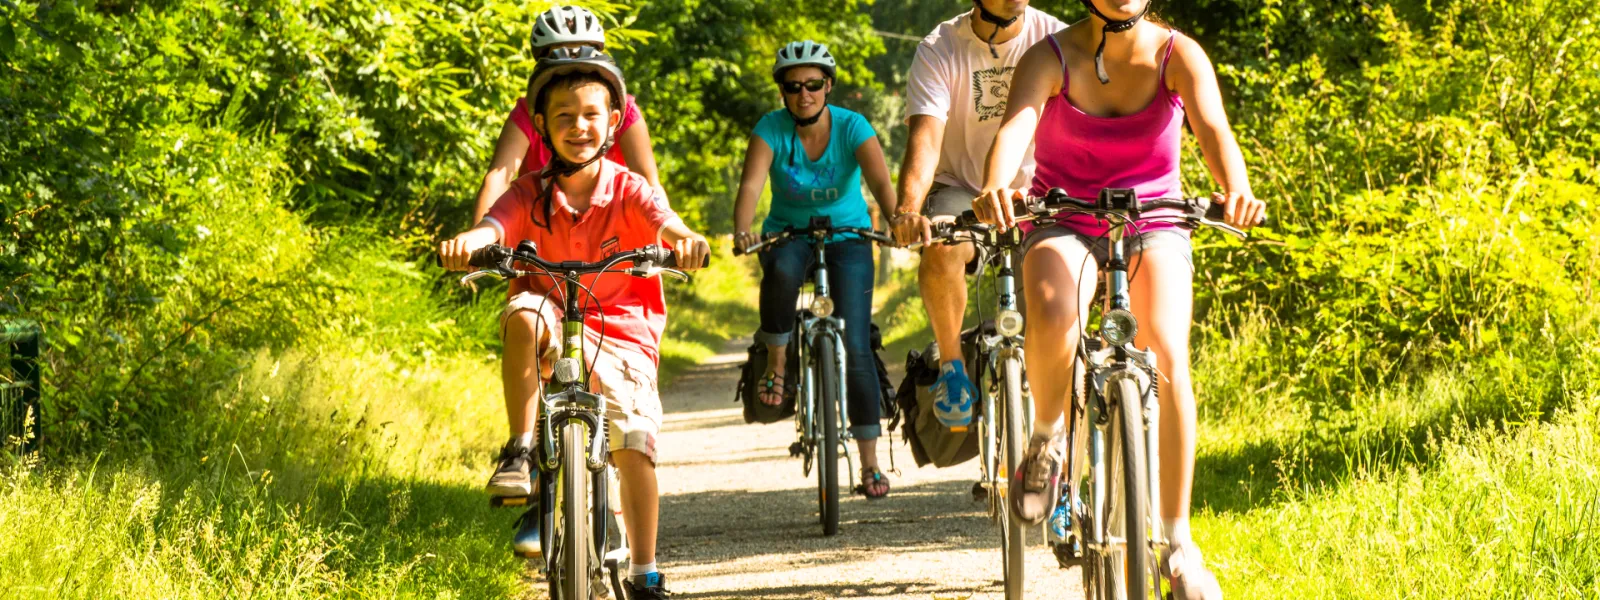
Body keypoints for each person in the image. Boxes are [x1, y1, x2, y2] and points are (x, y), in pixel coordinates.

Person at [971, 1, 1266, 598]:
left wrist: (1237, 191)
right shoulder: (1050, 56)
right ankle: (1049, 438)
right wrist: (997, 186)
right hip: (1064, 216)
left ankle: (1178, 542)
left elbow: (1214, 131)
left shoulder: (1178, 54)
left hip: (1155, 220)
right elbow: (1015, 129)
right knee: (1054, 310)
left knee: (1167, 346)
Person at [439, 47, 709, 600]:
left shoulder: (629, 187)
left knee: (632, 439)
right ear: (541, 126)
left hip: (622, 324)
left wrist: (683, 242)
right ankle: (519, 450)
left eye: (591, 114)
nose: (578, 127)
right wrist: (472, 242)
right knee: (521, 312)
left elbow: (666, 219)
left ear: (614, 121)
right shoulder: (529, 191)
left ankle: (644, 569)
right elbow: (496, 223)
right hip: (551, 313)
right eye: (563, 117)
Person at [731, 40, 899, 499]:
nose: (803, 94)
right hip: (788, 235)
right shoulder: (770, 128)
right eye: (792, 86)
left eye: (812, 85)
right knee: (782, 272)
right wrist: (743, 230)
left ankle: (870, 465)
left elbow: (882, 182)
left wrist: (899, 219)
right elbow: (751, 183)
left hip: (848, 238)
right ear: (782, 92)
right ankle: (779, 363)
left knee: (858, 347)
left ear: (828, 85)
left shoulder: (852, 126)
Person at [889, 0, 1064, 430]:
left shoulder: (1056, 37)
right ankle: (952, 369)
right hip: (962, 190)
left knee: (1058, 313)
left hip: (1038, 191)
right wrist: (909, 210)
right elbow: (926, 140)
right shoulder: (941, 47)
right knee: (944, 247)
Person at [470, 5, 667, 224]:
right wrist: (478, 244)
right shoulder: (528, 112)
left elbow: (648, 182)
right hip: (540, 232)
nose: (572, 61)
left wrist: (667, 237)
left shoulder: (624, 110)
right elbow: (498, 179)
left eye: (581, 52)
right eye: (559, 55)